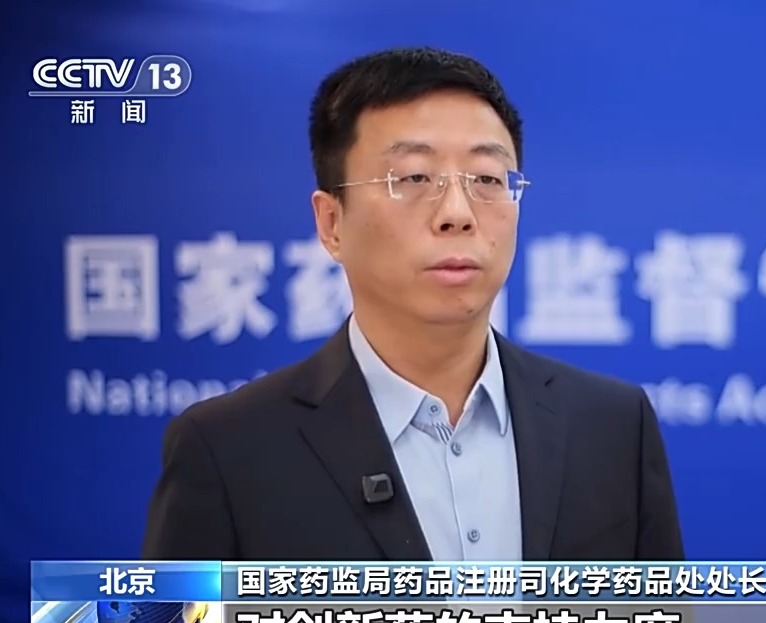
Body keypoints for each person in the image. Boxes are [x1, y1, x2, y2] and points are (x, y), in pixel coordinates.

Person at [140, 46, 685, 563]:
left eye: (487, 178)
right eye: (414, 178)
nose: (457, 214)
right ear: (331, 223)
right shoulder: (228, 450)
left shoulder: (613, 426)